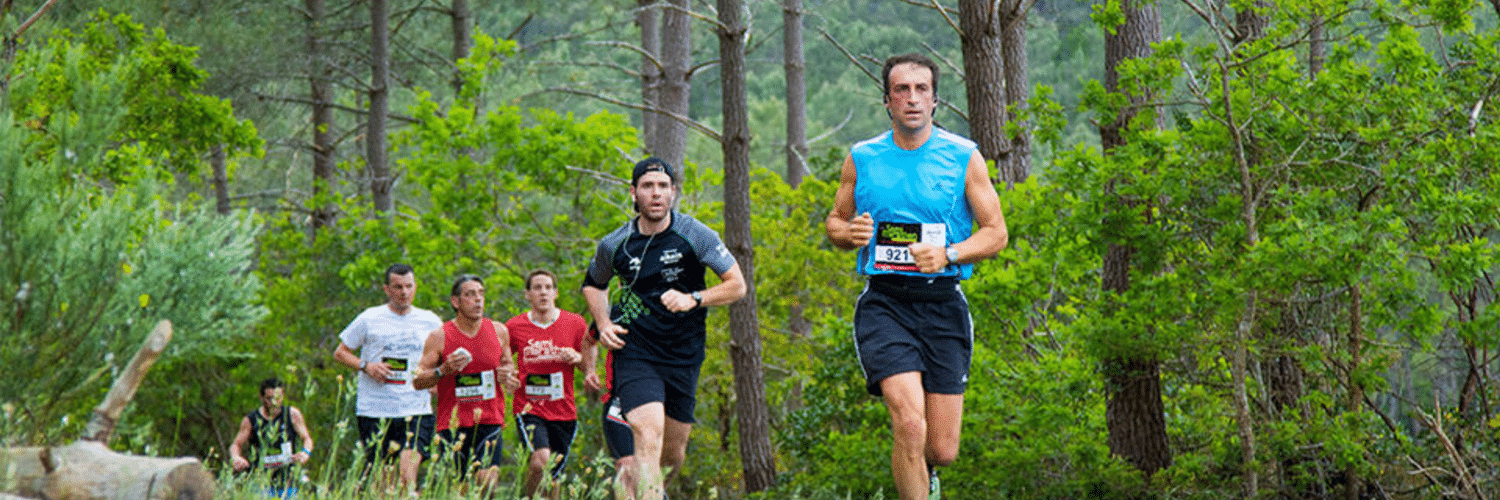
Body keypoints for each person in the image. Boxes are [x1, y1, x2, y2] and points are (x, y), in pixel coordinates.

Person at [823, 53, 1009, 500]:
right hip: (885, 303)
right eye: (901, 90)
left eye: (921, 89)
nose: (912, 99)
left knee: (941, 448)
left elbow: (996, 233)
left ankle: (928, 477)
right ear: (886, 100)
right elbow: (834, 221)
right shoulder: (863, 158)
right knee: (908, 423)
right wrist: (849, 234)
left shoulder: (963, 156)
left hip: (942, 302)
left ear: (935, 99)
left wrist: (948, 254)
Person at [582, 157, 746, 500]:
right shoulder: (616, 244)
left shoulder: (695, 235)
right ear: (633, 193)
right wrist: (603, 323)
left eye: (662, 186)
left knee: (671, 456)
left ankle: (654, 493)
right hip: (636, 351)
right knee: (646, 434)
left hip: (684, 356)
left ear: (673, 192)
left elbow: (737, 285)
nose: (655, 194)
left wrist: (695, 298)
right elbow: (593, 284)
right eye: (647, 186)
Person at [331, 263, 442, 494]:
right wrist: (367, 366)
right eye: (398, 287)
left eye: (408, 286)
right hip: (376, 409)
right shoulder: (370, 318)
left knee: (405, 475)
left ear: (415, 287)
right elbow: (340, 353)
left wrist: (435, 380)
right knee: (383, 484)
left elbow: (443, 358)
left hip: (415, 408)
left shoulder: (430, 320)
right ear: (386, 289)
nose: (404, 292)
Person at [413, 275, 520, 493]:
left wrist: (508, 375)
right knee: (458, 490)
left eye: (481, 293)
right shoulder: (439, 336)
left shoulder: (499, 331)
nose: (478, 300)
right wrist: (443, 370)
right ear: (456, 302)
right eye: (470, 295)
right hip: (453, 423)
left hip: (490, 420)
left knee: (487, 484)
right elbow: (417, 381)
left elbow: (509, 367)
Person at [505, 269, 590, 499]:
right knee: (541, 461)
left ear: (556, 292)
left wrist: (578, 358)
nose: (543, 292)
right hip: (529, 408)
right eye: (537, 288)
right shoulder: (514, 327)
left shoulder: (575, 323)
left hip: (564, 411)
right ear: (527, 295)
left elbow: (588, 364)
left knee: (553, 477)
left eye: (548, 287)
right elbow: (502, 361)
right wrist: (508, 376)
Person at [230, 377, 315, 499]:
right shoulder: (251, 420)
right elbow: (236, 445)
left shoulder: (292, 414)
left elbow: (307, 439)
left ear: (283, 396)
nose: (274, 402)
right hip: (261, 481)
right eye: (269, 399)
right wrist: (236, 457)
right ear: (261, 397)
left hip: (288, 480)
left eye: (278, 398)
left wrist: (305, 453)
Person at [582, 322, 638, 500]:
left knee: (653, 468)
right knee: (626, 467)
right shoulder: (614, 313)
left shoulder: (674, 308)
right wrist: (590, 370)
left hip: (661, 402)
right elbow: (588, 340)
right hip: (619, 401)